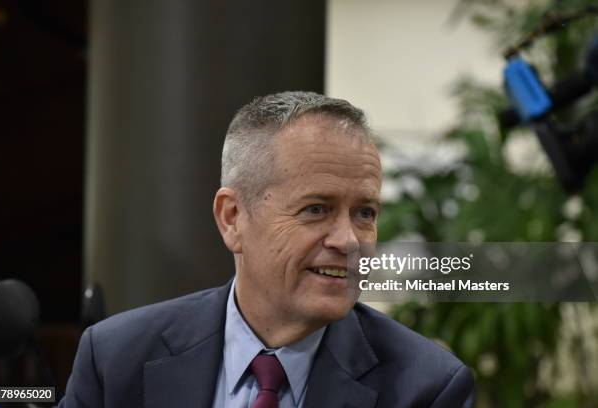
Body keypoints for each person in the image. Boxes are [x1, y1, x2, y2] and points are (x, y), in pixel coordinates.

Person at [58, 91, 475, 407]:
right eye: (316, 209)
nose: (349, 241)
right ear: (232, 218)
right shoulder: (115, 360)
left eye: (364, 213)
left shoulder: (427, 389)